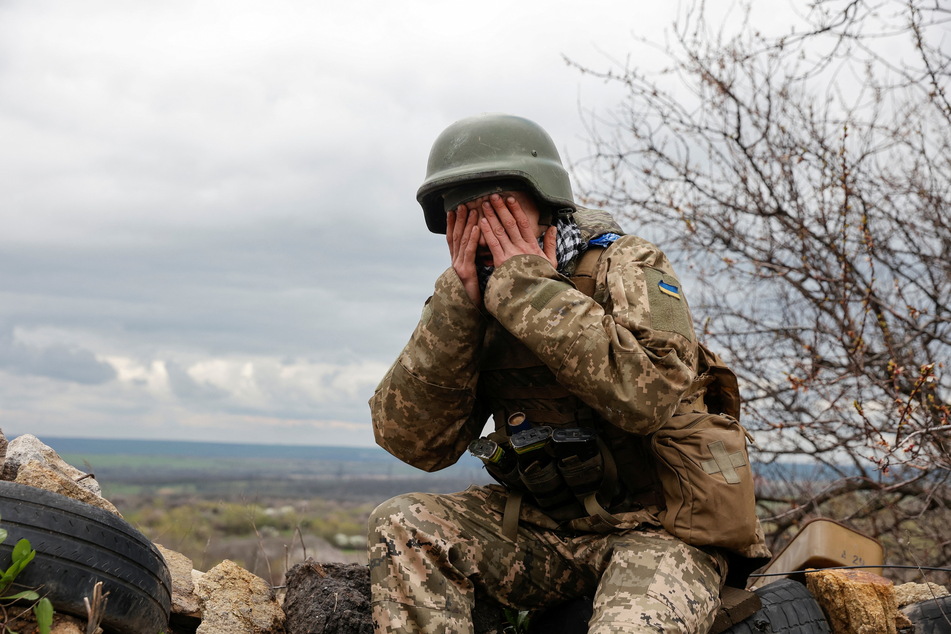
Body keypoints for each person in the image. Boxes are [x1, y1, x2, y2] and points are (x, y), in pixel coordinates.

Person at [367, 113, 770, 634]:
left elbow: (647, 395)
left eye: (500, 212)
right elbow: (415, 443)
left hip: (662, 531)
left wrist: (530, 291)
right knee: (404, 522)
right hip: (543, 529)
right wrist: (455, 309)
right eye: (464, 218)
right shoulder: (472, 303)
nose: (484, 231)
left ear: (546, 205)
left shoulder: (627, 264)